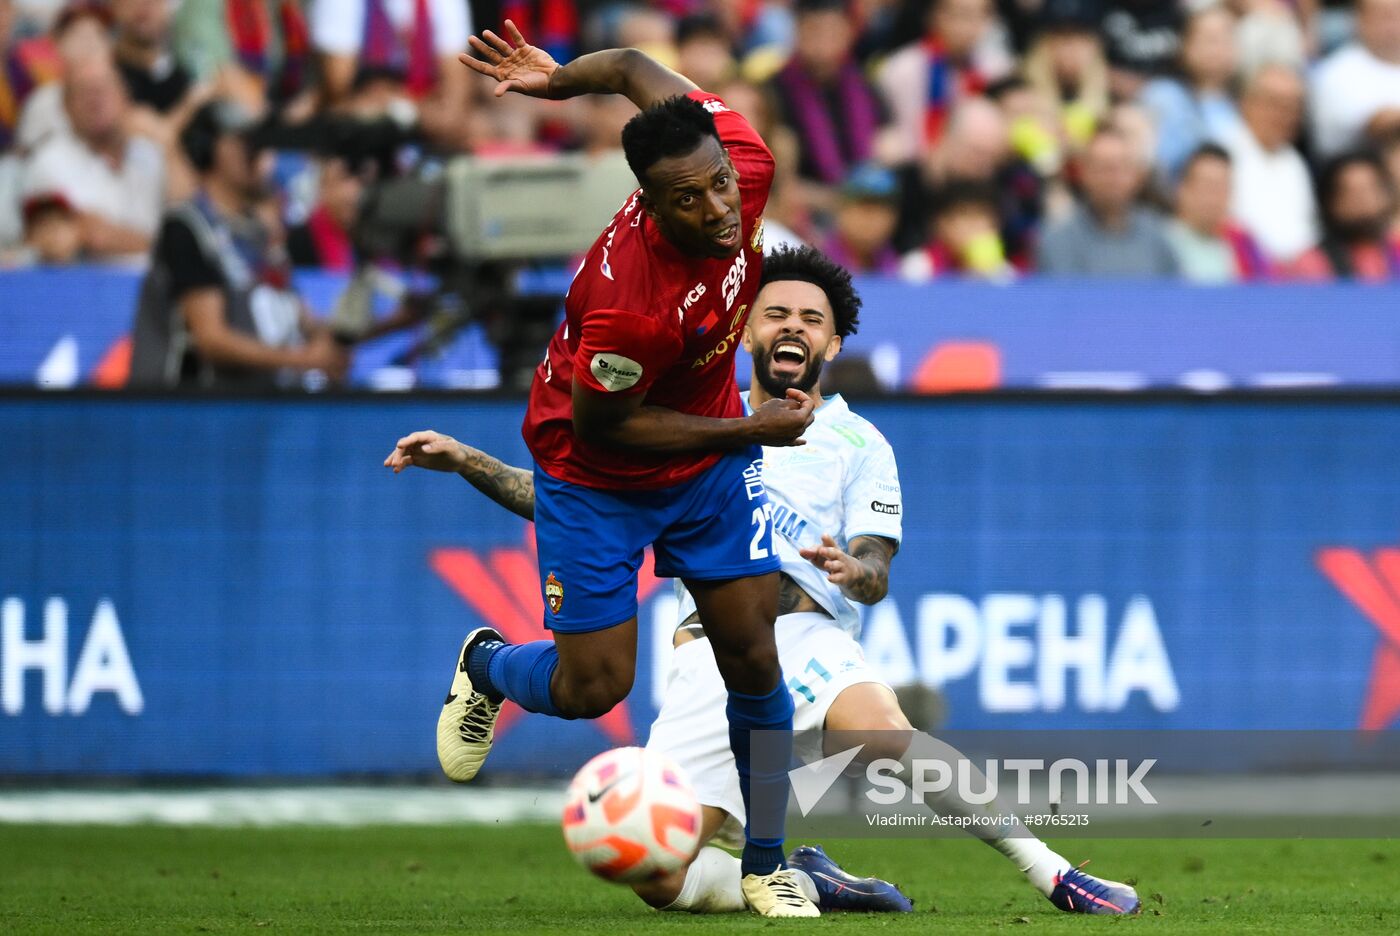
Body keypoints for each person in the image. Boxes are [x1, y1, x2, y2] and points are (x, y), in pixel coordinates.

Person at [389, 245, 1142, 918]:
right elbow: (576, 500)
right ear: (745, 331)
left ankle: (1055, 875)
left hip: (805, 631)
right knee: (660, 880)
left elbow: (877, 567)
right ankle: (806, 879)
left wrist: (857, 569)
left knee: (884, 732)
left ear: (832, 342)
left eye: (810, 318)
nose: (792, 326)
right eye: (774, 312)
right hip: (706, 654)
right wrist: (470, 463)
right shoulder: (689, 428)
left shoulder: (857, 442)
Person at [387, 22, 818, 917]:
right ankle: (490, 667)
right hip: (597, 473)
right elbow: (609, 427)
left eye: (719, 183)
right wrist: (749, 434)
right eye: (689, 200)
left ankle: (768, 862)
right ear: (649, 207)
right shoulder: (627, 304)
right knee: (595, 688)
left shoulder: (743, 159)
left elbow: (626, 65)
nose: (719, 209)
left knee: (754, 656)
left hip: (703, 458)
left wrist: (558, 83)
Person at [128, 100, 347, 387]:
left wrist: (350, 335)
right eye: (250, 144)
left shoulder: (261, 234)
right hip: (196, 411)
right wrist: (303, 359)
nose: (263, 157)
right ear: (216, 149)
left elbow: (298, 319)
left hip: (258, 410)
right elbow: (211, 338)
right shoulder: (186, 227)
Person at [21, 56, 166, 261]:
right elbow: (95, 236)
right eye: (84, 91)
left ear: (126, 97)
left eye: (103, 87)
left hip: (158, 287)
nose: (95, 97)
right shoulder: (49, 160)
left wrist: (168, 142)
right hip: (87, 287)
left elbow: (191, 205)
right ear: (66, 108)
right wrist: (169, 247)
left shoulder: (150, 152)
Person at [1036, 125, 1177, 276]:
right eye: (1103, 168)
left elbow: (1174, 294)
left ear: (1139, 175)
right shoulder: (1058, 239)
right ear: (1084, 173)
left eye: (1121, 168)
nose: (1112, 179)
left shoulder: (1158, 236)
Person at [1219, 63, 1317, 264]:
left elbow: (1305, 231)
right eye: (1276, 104)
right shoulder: (1223, 152)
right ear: (1246, 102)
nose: (1286, 115)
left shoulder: (1294, 162)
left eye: (1294, 107)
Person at [1285, 150, 1400, 282]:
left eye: (1370, 190)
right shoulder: (1313, 263)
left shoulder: (1395, 250)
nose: (1363, 201)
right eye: (1352, 193)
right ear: (1330, 202)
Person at [1165, 143, 1270, 283]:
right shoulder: (1160, 244)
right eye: (1207, 186)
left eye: (1221, 188)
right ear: (1182, 189)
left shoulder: (1243, 244)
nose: (1213, 198)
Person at [1310, 0, 1400, 159]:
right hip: (1358, 166)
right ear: (1359, 20)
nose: (1393, 23)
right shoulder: (1336, 72)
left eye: (1397, 14)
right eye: (1385, 15)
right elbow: (1379, 126)